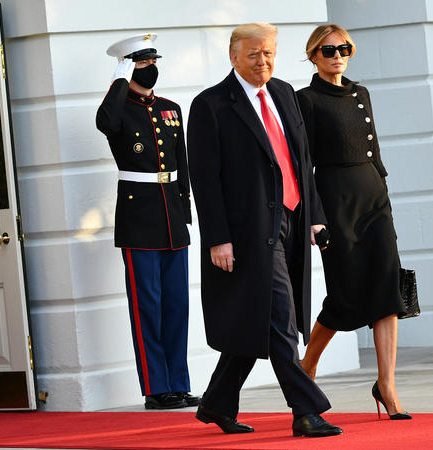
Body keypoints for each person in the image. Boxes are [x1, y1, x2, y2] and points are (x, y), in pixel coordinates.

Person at [186, 22, 342, 438]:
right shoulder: (211, 104)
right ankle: (306, 410)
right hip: (247, 230)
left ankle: (217, 402)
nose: (263, 61)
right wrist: (218, 237)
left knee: (255, 317)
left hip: (292, 219)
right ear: (234, 56)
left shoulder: (285, 94)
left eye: (269, 53)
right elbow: (204, 178)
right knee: (279, 318)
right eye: (254, 53)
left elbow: (299, 159)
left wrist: (315, 214)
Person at [295, 24, 411, 421]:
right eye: (328, 50)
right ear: (314, 55)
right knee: (344, 295)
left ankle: (387, 386)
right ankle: (307, 366)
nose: (337, 55)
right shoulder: (305, 100)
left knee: (386, 289)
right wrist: (313, 217)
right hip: (335, 201)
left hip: (374, 199)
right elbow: (301, 165)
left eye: (343, 48)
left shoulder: (361, 93)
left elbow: (373, 151)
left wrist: (384, 196)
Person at [96, 33, 200, 409]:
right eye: (142, 63)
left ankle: (178, 382)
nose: (151, 68)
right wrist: (119, 81)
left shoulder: (171, 108)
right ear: (127, 66)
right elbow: (104, 123)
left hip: (171, 217)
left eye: (153, 62)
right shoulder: (118, 108)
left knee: (176, 305)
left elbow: (182, 164)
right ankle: (156, 389)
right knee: (147, 306)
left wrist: (185, 214)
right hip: (138, 218)